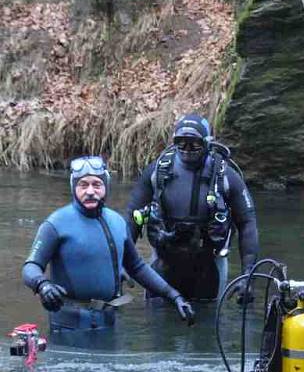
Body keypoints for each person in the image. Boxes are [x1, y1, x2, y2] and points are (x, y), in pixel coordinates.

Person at [22, 156, 195, 330]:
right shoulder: (56, 224)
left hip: (108, 322)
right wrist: (43, 285)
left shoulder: (117, 222)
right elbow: (30, 267)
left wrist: (174, 296)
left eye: (97, 185)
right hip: (68, 325)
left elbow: (137, 267)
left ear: (106, 186)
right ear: (73, 187)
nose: (90, 191)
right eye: (83, 185)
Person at [126, 114, 259, 302]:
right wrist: (122, 264)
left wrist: (247, 275)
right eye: (180, 143)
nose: (187, 149)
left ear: (207, 143)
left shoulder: (225, 177)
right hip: (164, 263)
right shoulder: (157, 172)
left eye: (194, 143)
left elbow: (247, 223)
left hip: (209, 265)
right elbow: (132, 217)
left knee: (208, 324)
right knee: (157, 324)